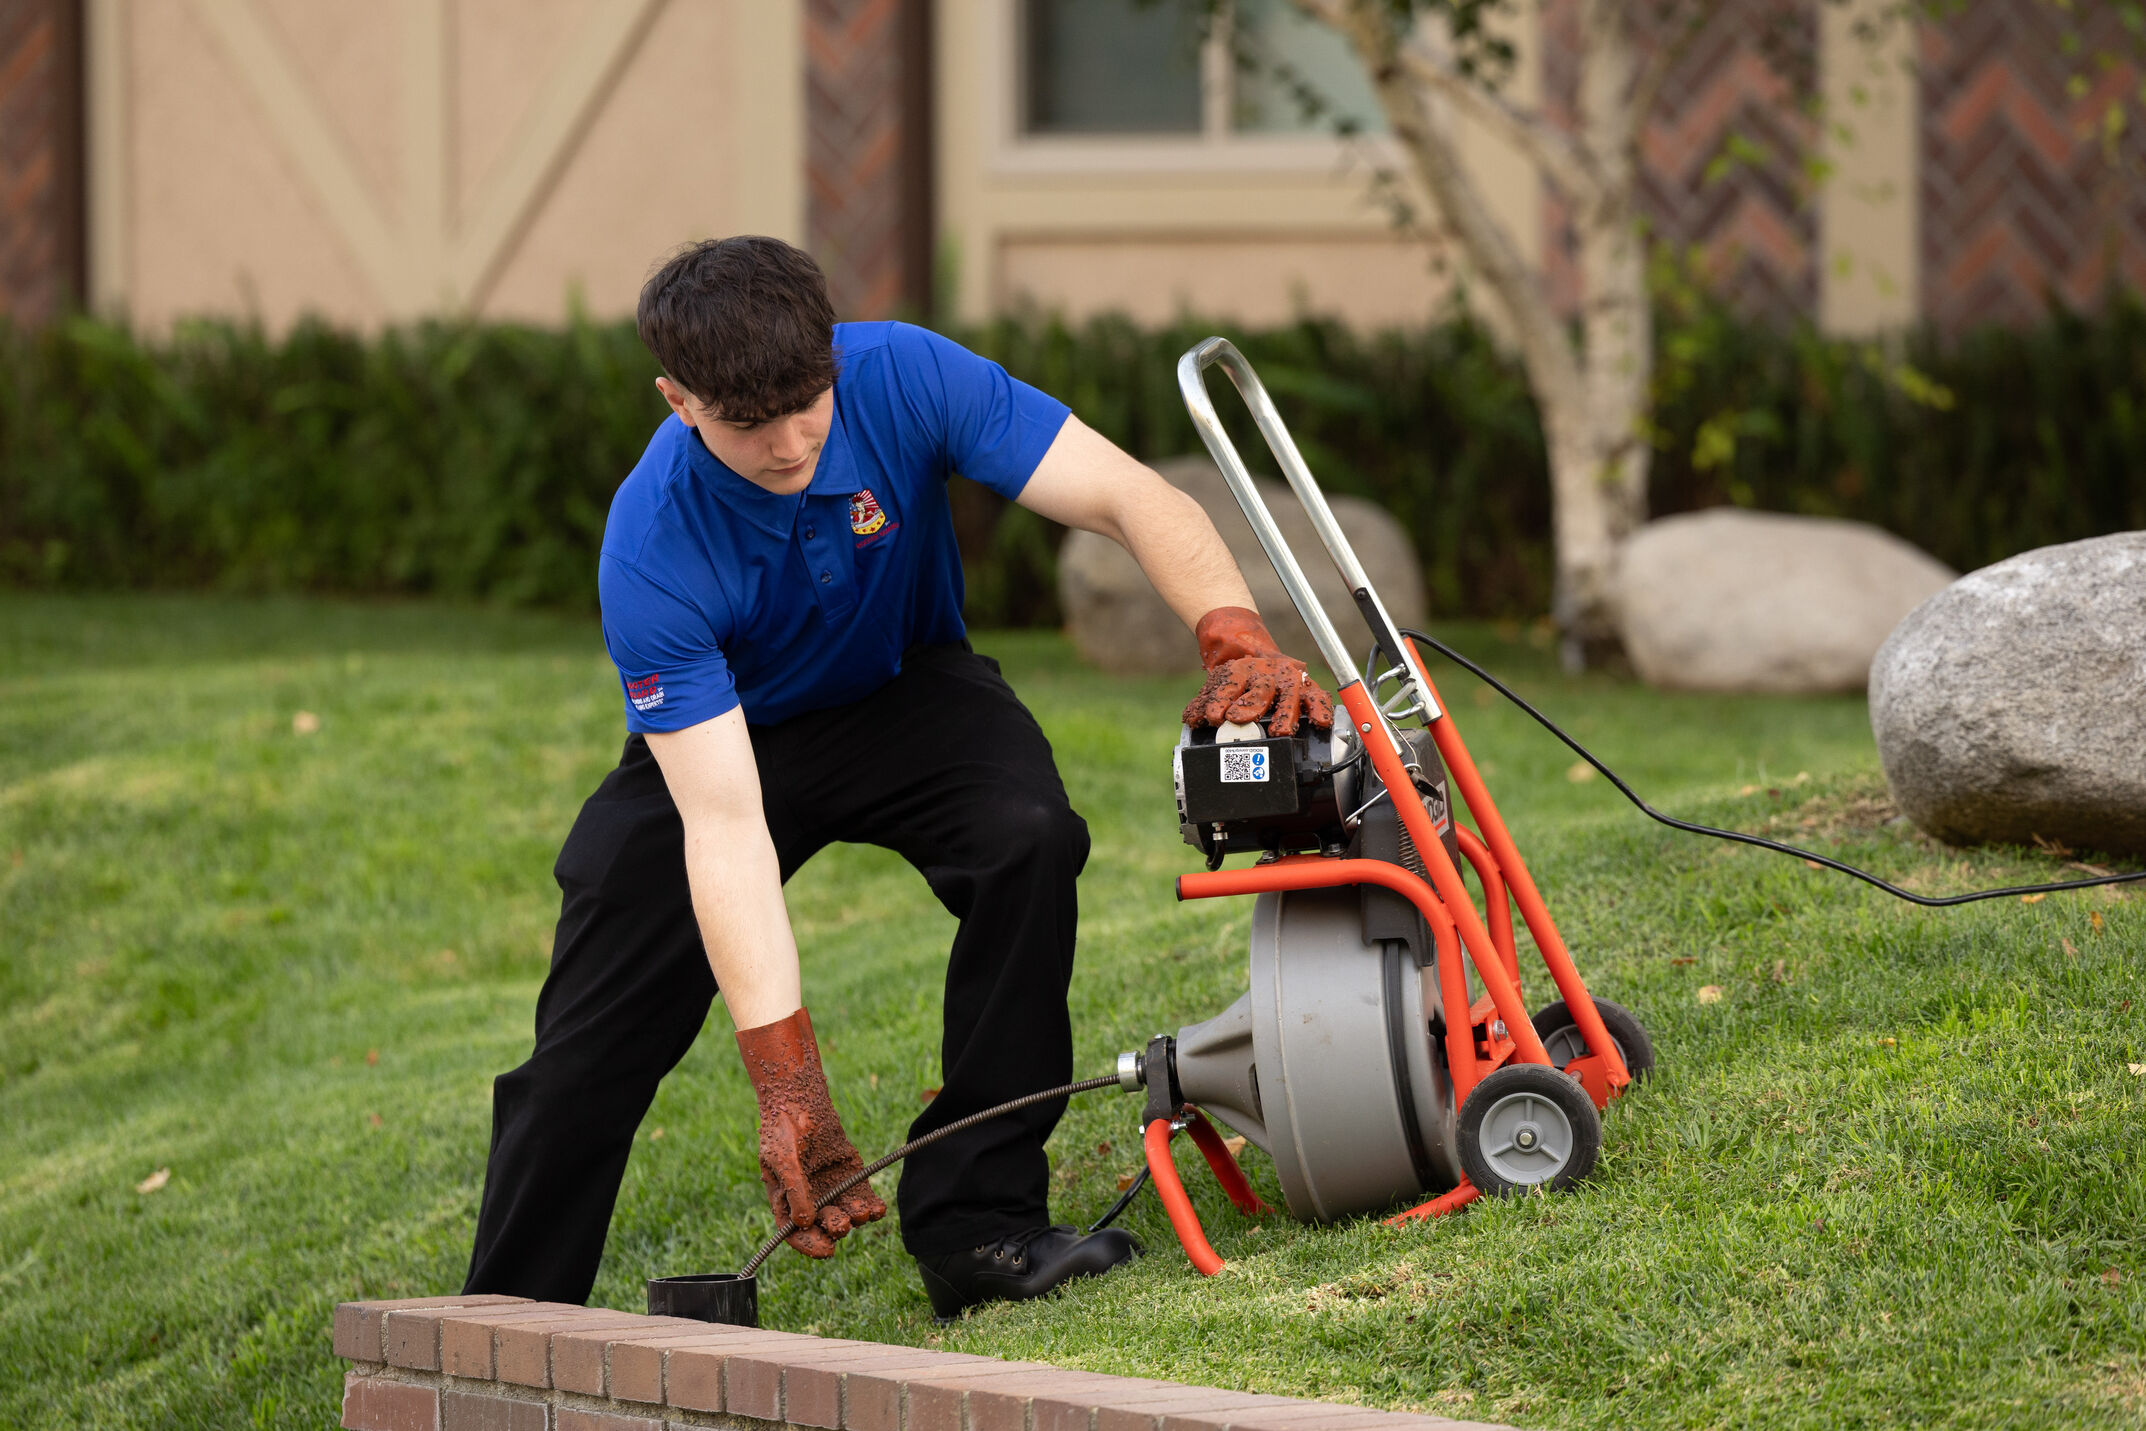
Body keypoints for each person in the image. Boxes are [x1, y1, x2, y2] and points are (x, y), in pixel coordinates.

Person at [463, 235, 1332, 1320]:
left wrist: (1234, 636)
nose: (788, 444)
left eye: (806, 404)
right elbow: (728, 826)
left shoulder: (906, 373)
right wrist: (790, 1087)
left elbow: (1122, 494)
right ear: (677, 398)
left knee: (1029, 835)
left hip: (906, 692)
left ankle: (980, 1229)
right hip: (729, 743)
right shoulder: (652, 546)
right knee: (586, 1049)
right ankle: (498, 1321)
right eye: (746, 422)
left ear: (830, 353)